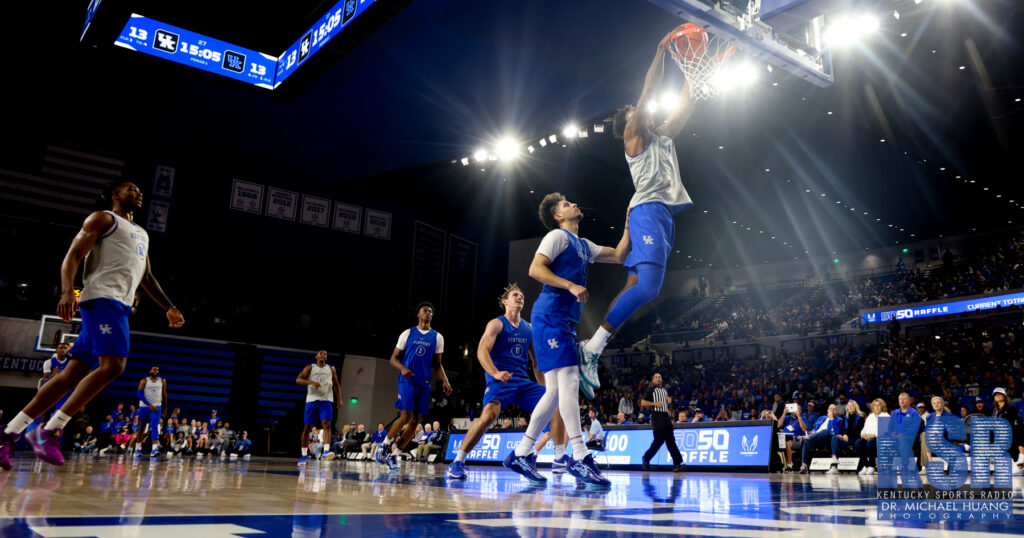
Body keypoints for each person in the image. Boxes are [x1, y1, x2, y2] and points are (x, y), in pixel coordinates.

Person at [0, 181, 184, 470]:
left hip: (119, 306)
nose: (138, 192)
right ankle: (49, 429)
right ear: (115, 195)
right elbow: (73, 255)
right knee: (114, 366)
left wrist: (169, 307)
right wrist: (65, 291)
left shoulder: (142, 233)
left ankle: (8, 434)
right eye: (131, 189)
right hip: (101, 300)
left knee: (69, 376)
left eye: (140, 190)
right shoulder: (103, 218)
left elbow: (146, 276)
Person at [578, 25, 697, 392]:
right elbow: (648, 92)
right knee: (648, 288)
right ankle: (592, 348)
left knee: (634, 283)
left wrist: (695, 65)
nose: (640, 109)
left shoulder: (661, 138)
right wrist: (662, 50)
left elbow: (686, 103)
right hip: (649, 211)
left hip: (661, 215)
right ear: (628, 122)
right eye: (633, 111)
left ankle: (593, 348)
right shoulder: (633, 137)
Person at [504, 192, 629, 487]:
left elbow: (620, 255)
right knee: (571, 382)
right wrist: (570, 284)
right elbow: (535, 269)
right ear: (559, 216)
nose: (574, 203)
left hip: (563, 322)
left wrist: (628, 222)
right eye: (566, 204)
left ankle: (521, 453)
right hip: (551, 318)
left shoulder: (584, 245)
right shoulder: (557, 236)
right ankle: (579, 455)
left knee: (555, 393)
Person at [447, 284, 566, 480]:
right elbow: (481, 351)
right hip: (500, 380)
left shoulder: (530, 328)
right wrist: (495, 373)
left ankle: (558, 457)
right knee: (488, 417)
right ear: (505, 302)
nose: (520, 297)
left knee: (555, 403)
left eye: (522, 295)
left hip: (522, 382)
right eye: (515, 295)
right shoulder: (496, 324)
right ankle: (458, 461)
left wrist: (548, 390)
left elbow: (537, 364)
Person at [375, 303, 453, 472]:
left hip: (424, 383)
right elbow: (393, 358)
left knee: (416, 421)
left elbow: (438, 365)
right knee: (405, 416)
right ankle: (384, 445)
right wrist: (403, 368)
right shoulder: (408, 333)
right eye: (425, 311)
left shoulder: (437, 337)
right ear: (418, 314)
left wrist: (446, 381)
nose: (428, 313)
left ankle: (395, 455)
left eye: (431, 311)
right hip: (407, 381)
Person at [296, 350, 342, 466]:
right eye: (321, 353)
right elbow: (298, 380)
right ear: (316, 356)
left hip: (326, 399)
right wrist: (311, 382)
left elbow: (336, 385)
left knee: (327, 423)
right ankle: (303, 455)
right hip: (312, 400)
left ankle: (326, 451)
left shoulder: (331, 369)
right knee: (307, 428)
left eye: (325, 354)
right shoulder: (310, 368)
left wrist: (339, 399)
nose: (323, 355)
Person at [640, 373, 684, 471]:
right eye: (656, 377)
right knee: (658, 441)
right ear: (653, 380)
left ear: (662, 379)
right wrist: (654, 403)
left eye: (660, 377)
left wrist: (669, 401)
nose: (658, 378)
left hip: (666, 416)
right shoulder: (650, 389)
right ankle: (646, 458)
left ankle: (677, 464)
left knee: (671, 441)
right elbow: (642, 402)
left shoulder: (664, 391)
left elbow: (665, 403)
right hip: (657, 416)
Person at [132, 365, 167, 457]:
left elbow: (164, 395)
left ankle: (154, 449)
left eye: (157, 369)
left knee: (155, 426)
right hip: (144, 406)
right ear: (149, 371)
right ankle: (137, 449)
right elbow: (139, 395)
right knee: (141, 427)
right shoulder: (144, 381)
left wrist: (165, 408)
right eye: (154, 369)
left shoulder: (162, 381)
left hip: (157, 407)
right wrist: (149, 405)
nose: (156, 370)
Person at [799, 404, 842, 474]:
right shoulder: (821, 418)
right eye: (831, 408)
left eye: (834, 409)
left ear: (836, 412)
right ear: (827, 410)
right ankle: (804, 465)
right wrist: (813, 432)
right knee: (806, 441)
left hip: (826, 440)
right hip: (816, 438)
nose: (832, 410)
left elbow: (834, 432)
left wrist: (832, 419)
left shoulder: (839, 420)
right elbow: (815, 429)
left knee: (825, 431)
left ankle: (808, 437)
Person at [992, 387, 1024, 475]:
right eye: (995, 394)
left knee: (1018, 430)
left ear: (1004, 396)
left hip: (1012, 435)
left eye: (999, 394)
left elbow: (1015, 425)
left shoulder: (1011, 408)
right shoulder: (995, 411)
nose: (997, 395)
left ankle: (1021, 459)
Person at [828, 400, 864, 474]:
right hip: (846, 439)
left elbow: (859, 431)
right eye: (849, 405)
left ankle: (834, 466)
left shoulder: (860, 418)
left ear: (856, 407)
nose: (850, 407)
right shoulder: (845, 418)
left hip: (855, 439)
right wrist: (843, 434)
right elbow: (841, 430)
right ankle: (834, 461)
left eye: (852, 405)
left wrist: (847, 435)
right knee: (834, 438)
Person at [857, 398, 890, 475]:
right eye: (875, 405)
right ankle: (866, 465)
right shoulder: (870, 416)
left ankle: (872, 466)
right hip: (868, 437)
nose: (877, 407)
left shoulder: (886, 416)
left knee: (870, 444)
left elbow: (885, 431)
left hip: (880, 438)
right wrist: (863, 434)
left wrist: (874, 435)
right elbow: (864, 429)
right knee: (858, 443)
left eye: (878, 405)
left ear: (882, 406)